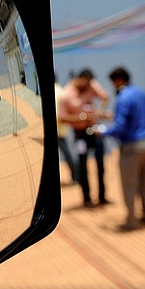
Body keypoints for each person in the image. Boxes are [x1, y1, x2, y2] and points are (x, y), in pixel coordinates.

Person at [98, 67, 145, 231]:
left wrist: (102, 132)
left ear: (118, 80)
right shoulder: (140, 92)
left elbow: (120, 127)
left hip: (132, 146)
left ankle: (131, 220)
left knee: (129, 184)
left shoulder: (123, 98)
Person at [58, 69, 111, 207]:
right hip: (80, 133)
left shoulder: (91, 85)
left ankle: (102, 196)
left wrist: (99, 111)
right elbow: (62, 118)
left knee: (100, 163)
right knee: (83, 165)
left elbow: (105, 96)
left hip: (93, 130)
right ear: (80, 78)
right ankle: (86, 198)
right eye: (86, 82)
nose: (88, 85)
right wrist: (81, 117)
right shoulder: (66, 95)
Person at [55, 76, 79, 184]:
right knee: (67, 152)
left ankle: (76, 176)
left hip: (58, 127)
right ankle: (76, 176)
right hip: (62, 127)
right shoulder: (62, 91)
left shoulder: (56, 92)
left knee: (67, 152)